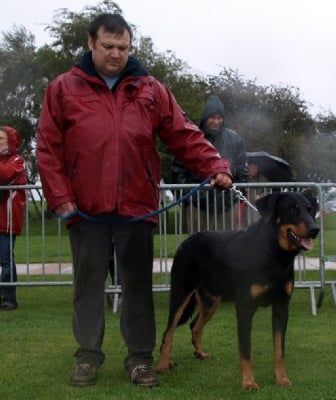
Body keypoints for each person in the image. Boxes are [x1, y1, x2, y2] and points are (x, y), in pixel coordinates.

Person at [36, 13, 233, 389]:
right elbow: (48, 145)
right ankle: (87, 359)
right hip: (84, 208)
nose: (115, 54)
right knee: (87, 286)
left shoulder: (151, 89)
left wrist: (214, 166)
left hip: (138, 206)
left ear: (130, 47)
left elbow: (184, 134)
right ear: (90, 43)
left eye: (122, 47)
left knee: (138, 287)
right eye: (108, 46)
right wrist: (58, 195)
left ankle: (140, 360)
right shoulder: (62, 88)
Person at [171, 94, 248, 232]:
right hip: (197, 208)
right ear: (205, 118)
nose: (216, 122)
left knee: (226, 249)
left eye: (219, 118)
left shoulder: (235, 140)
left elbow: (242, 172)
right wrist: (189, 198)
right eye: (212, 117)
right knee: (199, 249)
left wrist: (234, 198)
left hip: (226, 207)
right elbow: (178, 170)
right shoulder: (192, 138)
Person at [0, 126, 27, 311]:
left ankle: (9, 298)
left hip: (7, 218)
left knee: (6, 259)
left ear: (11, 141)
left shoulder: (17, 160)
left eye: (1, 138)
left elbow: (4, 176)